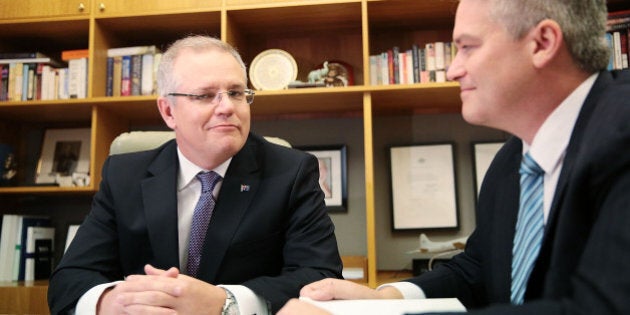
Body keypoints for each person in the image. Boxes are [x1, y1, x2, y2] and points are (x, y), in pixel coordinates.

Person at [278, 0, 630, 314]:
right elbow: (477, 270)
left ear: (542, 43)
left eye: (467, 48)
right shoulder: (512, 162)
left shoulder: (622, 133)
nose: (452, 70)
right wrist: (384, 299)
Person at [48, 35, 343, 315]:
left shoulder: (291, 173)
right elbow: (70, 279)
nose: (227, 107)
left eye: (236, 93)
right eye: (205, 96)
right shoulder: (124, 175)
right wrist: (112, 302)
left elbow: (321, 277)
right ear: (168, 111)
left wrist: (225, 302)